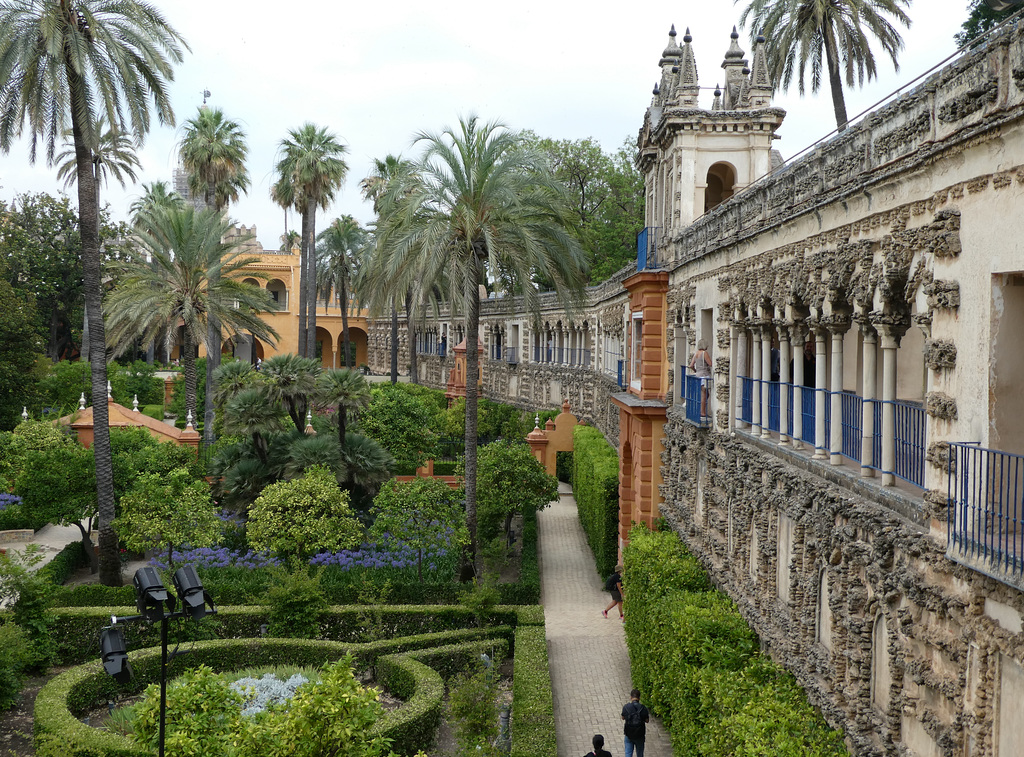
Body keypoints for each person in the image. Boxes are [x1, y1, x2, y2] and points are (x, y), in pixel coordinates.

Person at [621, 688, 650, 757]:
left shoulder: (626, 707)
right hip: (639, 734)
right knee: (640, 754)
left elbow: (622, 718)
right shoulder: (643, 708)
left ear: (631, 697)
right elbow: (647, 721)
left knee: (628, 753)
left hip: (629, 734)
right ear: (639, 698)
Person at [688, 339, 712, 418]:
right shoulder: (704, 353)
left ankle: (700, 410)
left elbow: (691, 365)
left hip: (698, 375)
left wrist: (696, 371)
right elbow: (710, 364)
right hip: (704, 375)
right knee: (704, 394)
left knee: (704, 394)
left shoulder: (696, 354)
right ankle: (702, 412)